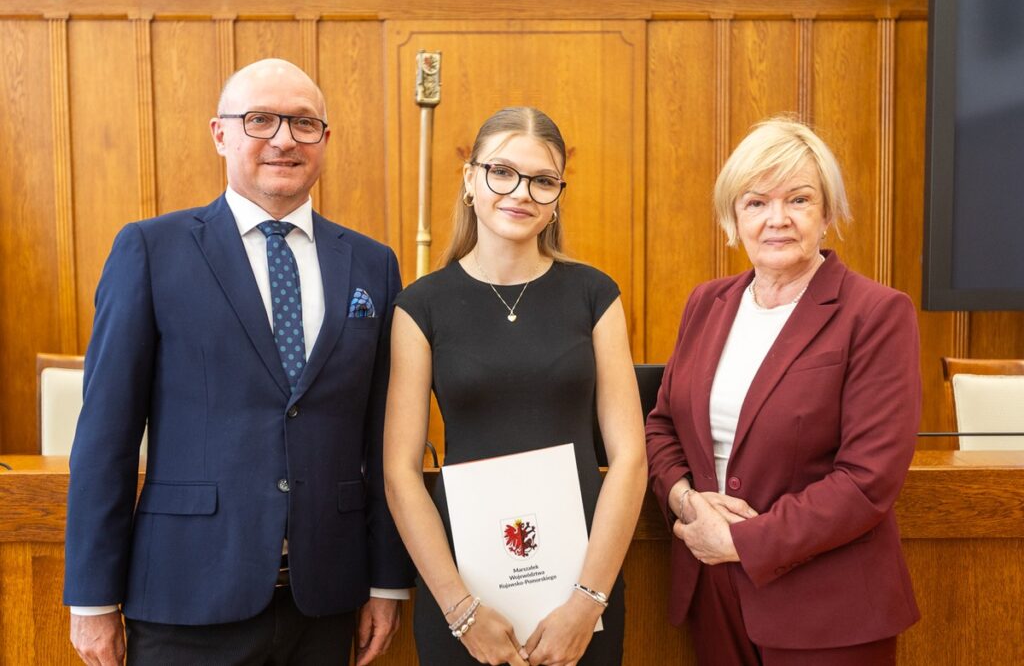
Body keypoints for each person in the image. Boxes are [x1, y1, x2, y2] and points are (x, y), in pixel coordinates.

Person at [64, 58, 414, 666]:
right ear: (220, 134)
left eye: (304, 123)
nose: (283, 139)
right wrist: (92, 599)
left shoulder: (372, 264)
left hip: (327, 600)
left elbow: (384, 437)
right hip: (186, 596)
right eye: (260, 120)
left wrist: (385, 581)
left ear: (325, 140)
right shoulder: (150, 249)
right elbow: (105, 436)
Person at [645, 116, 921, 665]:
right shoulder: (707, 303)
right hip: (714, 591)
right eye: (756, 203)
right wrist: (685, 500)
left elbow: (867, 480)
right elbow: (662, 424)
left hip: (827, 608)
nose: (778, 220)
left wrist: (743, 542)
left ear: (827, 215)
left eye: (798, 200)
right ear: (733, 218)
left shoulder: (877, 314)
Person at [383, 107, 647, 666]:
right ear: (471, 179)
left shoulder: (595, 295)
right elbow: (400, 472)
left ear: (557, 196)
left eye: (543, 180)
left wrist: (587, 602)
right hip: (463, 586)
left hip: (581, 583)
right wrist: (461, 610)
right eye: (502, 171)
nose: (520, 192)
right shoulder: (419, 305)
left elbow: (630, 459)